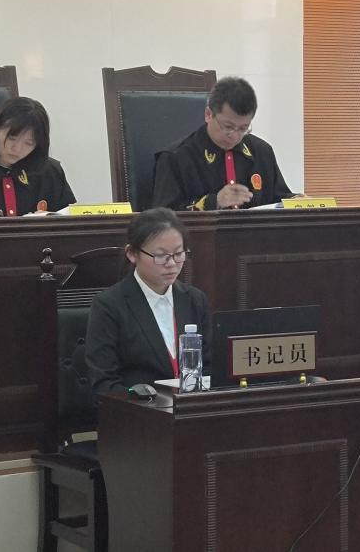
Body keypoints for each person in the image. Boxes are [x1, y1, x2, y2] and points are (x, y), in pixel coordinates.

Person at [86, 207, 211, 395]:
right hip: (140, 408)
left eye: (178, 254)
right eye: (160, 256)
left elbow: (210, 366)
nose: (171, 264)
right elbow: (103, 383)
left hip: (192, 406)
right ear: (132, 253)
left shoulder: (195, 299)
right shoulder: (109, 305)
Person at [151, 76, 295, 210]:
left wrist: (299, 201)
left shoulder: (262, 152)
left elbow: (280, 200)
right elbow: (163, 217)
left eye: (243, 128)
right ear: (208, 115)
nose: (235, 136)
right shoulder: (176, 158)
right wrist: (214, 202)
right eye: (228, 127)